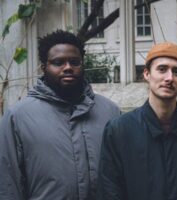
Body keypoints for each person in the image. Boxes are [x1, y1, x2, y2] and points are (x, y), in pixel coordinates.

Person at [0, 30, 121, 199]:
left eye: (74, 62)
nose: (68, 68)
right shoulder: (18, 117)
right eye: (58, 62)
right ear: (44, 68)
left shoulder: (110, 111)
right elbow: (7, 183)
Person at [97, 42, 177, 200]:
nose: (169, 78)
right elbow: (109, 191)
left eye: (176, 72)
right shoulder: (119, 130)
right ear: (146, 74)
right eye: (162, 69)